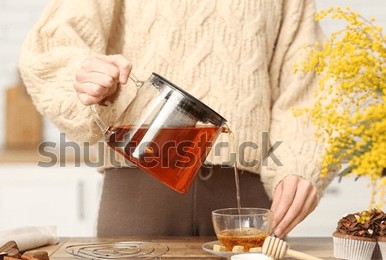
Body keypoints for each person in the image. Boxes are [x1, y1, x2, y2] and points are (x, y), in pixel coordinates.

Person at [19, 0, 334, 238]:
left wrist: (301, 163)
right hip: (139, 194)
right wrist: (85, 74)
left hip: (247, 201)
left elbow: (307, 78)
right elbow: (52, 46)